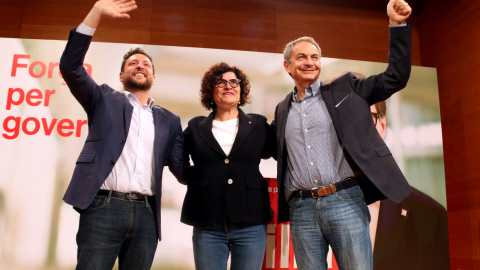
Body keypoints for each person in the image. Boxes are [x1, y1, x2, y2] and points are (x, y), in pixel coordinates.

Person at [271, 0, 413, 269]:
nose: (310, 62)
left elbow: (395, 77)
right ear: (287, 65)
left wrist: (397, 26)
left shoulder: (347, 88)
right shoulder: (281, 111)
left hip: (345, 201)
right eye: (301, 57)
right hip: (301, 210)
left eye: (315, 57)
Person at [59, 0, 184, 269]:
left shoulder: (170, 120)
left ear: (153, 76)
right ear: (121, 74)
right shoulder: (103, 98)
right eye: (133, 63)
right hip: (103, 207)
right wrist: (96, 13)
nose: (140, 65)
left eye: (146, 64)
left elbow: (182, 169)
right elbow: (70, 67)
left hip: (147, 214)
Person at [181, 62, 274, 270]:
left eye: (234, 82)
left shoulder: (258, 125)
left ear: (241, 91)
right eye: (221, 82)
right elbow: (178, 161)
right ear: (210, 90)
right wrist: (195, 180)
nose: (228, 86)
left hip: (251, 223)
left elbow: (276, 152)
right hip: (208, 224)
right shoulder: (195, 127)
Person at [369, 101, 450, 270]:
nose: (353, 132)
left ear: (382, 127)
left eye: (365, 119)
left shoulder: (429, 217)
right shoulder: (303, 215)